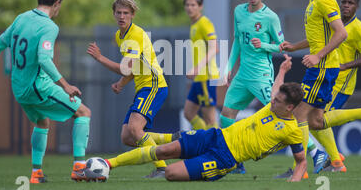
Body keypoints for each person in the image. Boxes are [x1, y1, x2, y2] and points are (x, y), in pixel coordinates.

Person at [105, 55, 308, 182]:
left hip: (224, 159)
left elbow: (301, 162)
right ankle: (107, 164)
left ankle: (197, 167)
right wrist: (282, 70)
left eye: (278, 101)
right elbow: (276, 88)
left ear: (290, 107)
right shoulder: (274, 106)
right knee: (164, 150)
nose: (272, 102)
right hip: (215, 136)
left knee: (170, 174)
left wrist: (294, 181)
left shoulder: (292, 131)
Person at [278, 0, 361, 177]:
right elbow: (318, 37)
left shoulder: (325, 1)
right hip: (323, 68)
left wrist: (318, 56)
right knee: (316, 121)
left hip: (323, 69)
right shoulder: (313, 1)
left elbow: (342, 33)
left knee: (296, 112)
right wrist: (294, 46)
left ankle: (302, 168)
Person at [0, 0, 92, 183]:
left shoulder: (21, 19)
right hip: (38, 87)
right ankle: (79, 168)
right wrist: (65, 86)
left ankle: (36, 173)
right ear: (57, 3)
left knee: (42, 121)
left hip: (19, 89)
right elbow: (43, 58)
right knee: (83, 112)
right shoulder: (49, 26)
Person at [87, 0, 171, 178]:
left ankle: (163, 168)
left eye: (126, 13)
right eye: (118, 12)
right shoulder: (119, 36)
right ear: (114, 14)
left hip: (154, 85)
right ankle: (172, 143)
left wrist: (100, 58)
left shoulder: (136, 35)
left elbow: (125, 67)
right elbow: (133, 68)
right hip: (143, 87)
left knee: (135, 129)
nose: (122, 16)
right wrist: (122, 83)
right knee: (127, 136)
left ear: (133, 15)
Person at [220, 0, 285, 173]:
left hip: (261, 76)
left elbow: (282, 46)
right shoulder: (239, 11)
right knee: (226, 117)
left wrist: (264, 45)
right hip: (242, 76)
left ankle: (315, 153)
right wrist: (228, 66)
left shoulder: (270, 17)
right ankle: (234, 160)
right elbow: (238, 40)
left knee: (282, 114)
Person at [316, 0, 361, 172]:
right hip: (327, 80)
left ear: (357, 6)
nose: (346, 6)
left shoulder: (358, 28)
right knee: (313, 120)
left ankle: (334, 160)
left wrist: (345, 66)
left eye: (350, 3)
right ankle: (334, 158)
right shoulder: (334, 23)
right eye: (343, 2)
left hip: (342, 86)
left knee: (317, 120)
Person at [182, 0, 220, 130]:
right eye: (187, 5)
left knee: (210, 118)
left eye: (193, 5)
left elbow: (215, 48)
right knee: (188, 113)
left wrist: (197, 68)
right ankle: (204, 140)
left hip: (206, 77)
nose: (189, 8)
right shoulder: (194, 25)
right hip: (199, 77)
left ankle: (215, 147)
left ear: (200, 6)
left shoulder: (204, 23)